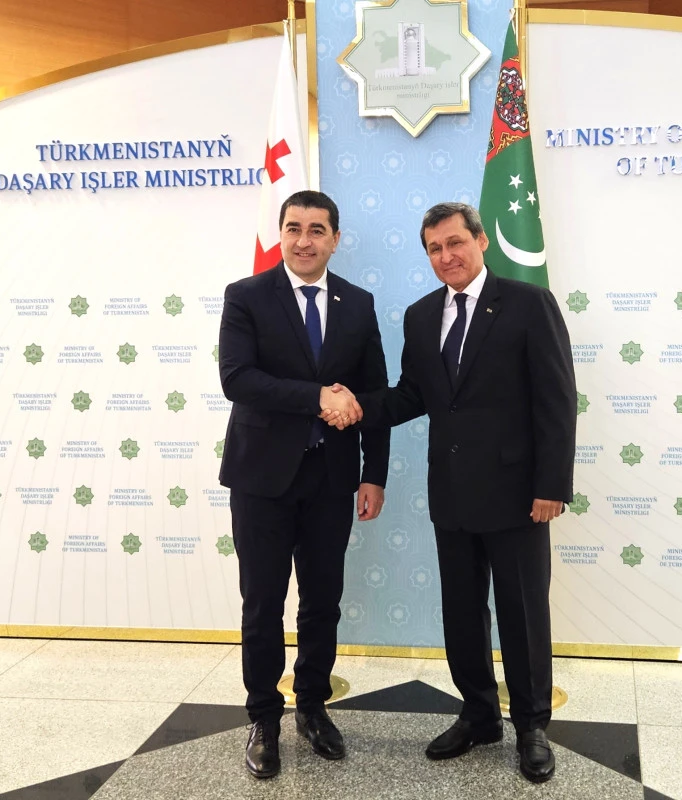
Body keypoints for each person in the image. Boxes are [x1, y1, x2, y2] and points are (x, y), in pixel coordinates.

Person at [324, 202, 577, 784]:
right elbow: (413, 394)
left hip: (518, 496)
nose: (446, 256)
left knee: (521, 612)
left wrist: (551, 486)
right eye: (435, 248)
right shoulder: (421, 315)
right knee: (462, 611)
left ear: (481, 241)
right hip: (452, 493)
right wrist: (354, 405)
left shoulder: (528, 303)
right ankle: (479, 714)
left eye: (455, 242)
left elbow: (557, 399)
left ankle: (531, 725)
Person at [218, 190, 388, 779]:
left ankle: (312, 706)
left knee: (322, 601)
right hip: (261, 479)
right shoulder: (246, 295)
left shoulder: (358, 303)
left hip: (331, 479)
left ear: (335, 239)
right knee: (263, 602)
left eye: (317, 230)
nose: (304, 240)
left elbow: (372, 396)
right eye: (293, 227)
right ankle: (264, 716)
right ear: (281, 233)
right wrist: (317, 397)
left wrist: (373, 474)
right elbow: (238, 379)